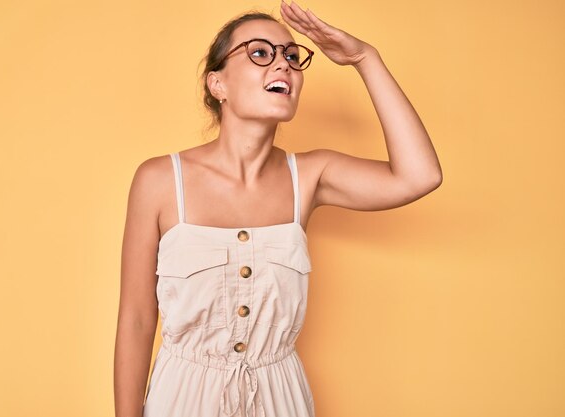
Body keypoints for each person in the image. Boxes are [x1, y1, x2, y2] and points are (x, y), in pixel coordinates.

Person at [114, 1, 442, 416]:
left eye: (291, 55)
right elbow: (138, 319)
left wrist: (364, 58)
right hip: (182, 397)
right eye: (259, 53)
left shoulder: (309, 175)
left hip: (279, 398)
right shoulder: (159, 180)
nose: (283, 65)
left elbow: (420, 176)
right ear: (219, 84)